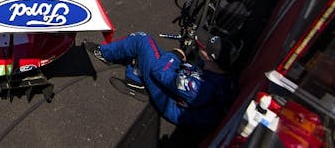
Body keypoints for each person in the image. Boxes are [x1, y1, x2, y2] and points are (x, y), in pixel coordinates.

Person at [90, 31, 236, 128]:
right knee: (146, 51)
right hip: (177, 91)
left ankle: (104, 53)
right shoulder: (220, 75)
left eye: (203, 49)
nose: (200, 50)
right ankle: (136, 79)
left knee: (141, 40)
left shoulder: (200, 88)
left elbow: (160, 71)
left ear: (211, 59)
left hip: (169, 102)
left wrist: (176, 55)